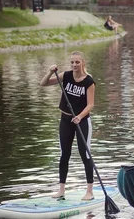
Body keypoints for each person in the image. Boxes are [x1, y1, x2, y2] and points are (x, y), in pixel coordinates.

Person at [39, 51, 96, 201]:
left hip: (82, 121)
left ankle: (89, 191)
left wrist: (79, 116)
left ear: (83, 62)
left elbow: (90, 104)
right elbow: (43, 83)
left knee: (85, 154)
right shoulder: (66, 75)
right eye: (72, 62)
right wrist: (50, 72)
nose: (74, 65)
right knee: (64, 154)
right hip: (65, 120)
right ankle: (61, 190)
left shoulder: (89, 82)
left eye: (77, 62)